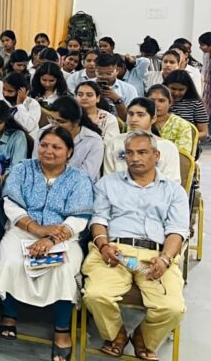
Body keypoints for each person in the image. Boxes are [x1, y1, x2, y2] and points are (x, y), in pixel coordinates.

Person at [83, 131, 188, 360]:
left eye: (142, 152)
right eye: (129, 153)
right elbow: (99, 220)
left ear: (156, 155)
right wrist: (103, 245)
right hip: (116, 252)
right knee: (95, 294)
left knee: (173, 307)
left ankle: (143, 337)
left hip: (155, 255)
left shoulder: (173, 191)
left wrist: (165, 259)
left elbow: (177, 230)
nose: (134, 158)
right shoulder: (107, 184)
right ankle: (116, 334)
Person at [0, 127, 94, 361]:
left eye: (56, 147)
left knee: (64, 269)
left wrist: (50, 239)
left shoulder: (79, 178)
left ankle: (62, 329)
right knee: (12, 261)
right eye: (44, 145)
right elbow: (11, 205)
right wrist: (36, 230)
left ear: (69, 152)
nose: (48, 151)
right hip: (22, 230)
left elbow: (79, 218)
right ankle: (9, 314)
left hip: (63, 236)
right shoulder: (22, 169)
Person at [103, 98, 181, 184]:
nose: (134, 119)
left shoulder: (168, 147)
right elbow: (108, 178)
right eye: (131, 114)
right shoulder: (114, 142)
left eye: (141, 115)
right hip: (117, 190)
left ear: (153, 118)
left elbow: (172, 183)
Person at [43, 96, 104, 181]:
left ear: (76, 122)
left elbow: (86, 177)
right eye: (51, 119)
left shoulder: (93, 141)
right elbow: (36, 167)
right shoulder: (43, 133)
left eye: (60, 121)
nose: (54, 125)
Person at [147, 84, 196, 157]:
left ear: (170, 103)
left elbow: (183, 156)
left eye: (161, 101)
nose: (156, 104)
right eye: (152, 100)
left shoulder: (181, 125)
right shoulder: (139, 122)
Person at [164, 70, 209, 141]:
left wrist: (185, 138)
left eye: (181, 89)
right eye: (173, 89)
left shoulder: (195, 104)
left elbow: (204, 133)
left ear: (188, 88)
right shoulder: (159, 101)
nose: (176, 93)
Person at [2, 72, 41, 141]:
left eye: (10, 91)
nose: (5, 94)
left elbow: (29, 127)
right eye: (4, 89)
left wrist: (20, 105)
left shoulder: (32, 104)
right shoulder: (3, 102)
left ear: (21, 91)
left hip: (28, 140)